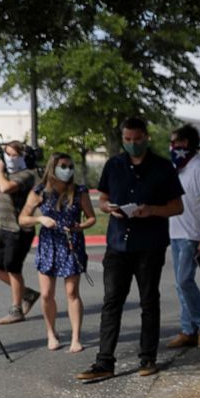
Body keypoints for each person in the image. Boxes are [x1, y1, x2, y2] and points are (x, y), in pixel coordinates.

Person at [76, 117, 184, 382]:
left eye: (136, 139)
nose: (132, 144)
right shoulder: (114, 165)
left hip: (150, 245)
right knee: (112, 302)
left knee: (149, 300)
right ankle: (104, 362)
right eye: (127, 139)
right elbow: (102, 198)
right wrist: (107, 207)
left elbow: (177, 207)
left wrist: (152, 210)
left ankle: (148, 357)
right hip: (117, 244)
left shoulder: (162, 167)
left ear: (145, 137)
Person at [18, 152, 96, 352]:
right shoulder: (40, 191)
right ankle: (51, 333)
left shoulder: (79, 191)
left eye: (70, 166)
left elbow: (91, 217)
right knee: (46, 294)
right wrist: (39, 219)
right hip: (48, 244)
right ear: (53, 167)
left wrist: (80, 226)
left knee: (72, 292)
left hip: (72, 242)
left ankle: (75, 337)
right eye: (63, 165)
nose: (68, 170)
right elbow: (23, 218)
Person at [166, 123, 200, 349]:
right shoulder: (178, 167)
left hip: (192, 234)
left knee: (185, 281)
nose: (172, 145)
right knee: (180, 283)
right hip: (175, 231)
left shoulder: (198, 168)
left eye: (175, 141)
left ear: (185, 143)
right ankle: (188, 329)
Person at [0, 141, 41, 324]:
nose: (11, 159)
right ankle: (27, 293)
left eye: (15, 155)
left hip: (20, 229)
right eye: (9, 154)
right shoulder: (5, 175)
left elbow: (6, 188)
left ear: (23, 157)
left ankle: (16, 310)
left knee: (13, 269)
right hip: (4, 228)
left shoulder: (26, 175)